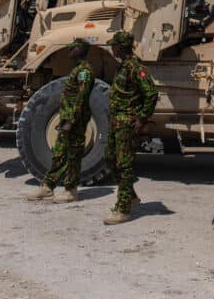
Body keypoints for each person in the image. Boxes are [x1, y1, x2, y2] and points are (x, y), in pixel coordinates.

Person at [26, 39, 95, 203]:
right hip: (67, 119)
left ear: (80, 50)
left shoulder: (85, 71)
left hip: (75, 121)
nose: (69, 51)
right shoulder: (77, 69)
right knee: (59, 154)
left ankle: (71, 191)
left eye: (72, 48)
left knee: (73, 156)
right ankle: (47, 187)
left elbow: (81, 98)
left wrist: (70, 121)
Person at [103, 31, 158, 225]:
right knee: (109, 158)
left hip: (126, 123)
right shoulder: (123, 67)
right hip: (116, 122)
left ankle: (123, 208)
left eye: (114, 46)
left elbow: (151, 93)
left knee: (124, 165)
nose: (112, 49)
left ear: (121, 47)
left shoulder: (135, 67)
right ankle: (131, 196)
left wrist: (141, 118)